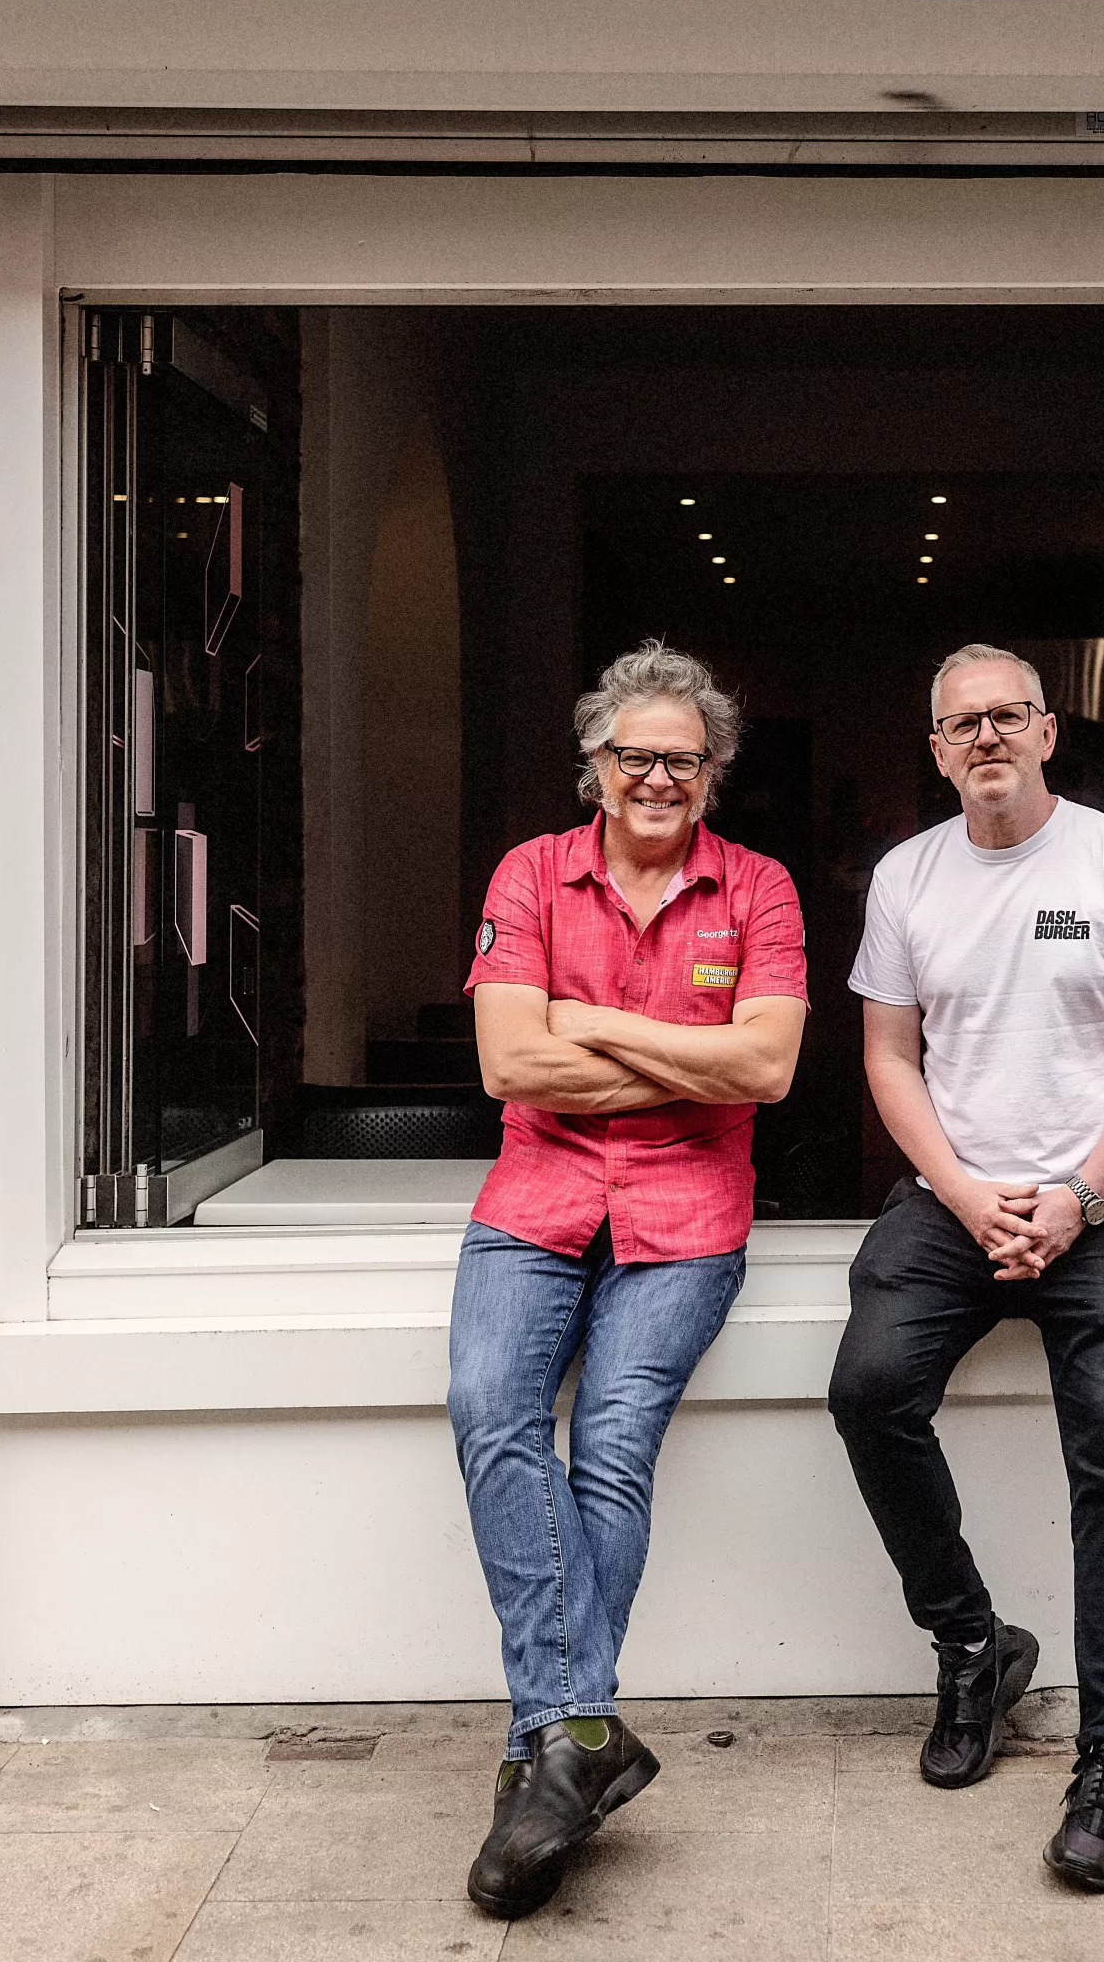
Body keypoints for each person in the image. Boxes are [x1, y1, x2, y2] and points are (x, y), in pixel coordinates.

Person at [828, 643, 1104, 1893]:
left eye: (1006, 717)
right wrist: (962, 1188)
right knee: (869, 1389)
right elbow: (889, 1056)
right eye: (959, 725)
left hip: (1101, 1201)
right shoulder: (908, 876)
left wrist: (1080, 1193)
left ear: (1046, 730)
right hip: (959, 1194)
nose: (984, 738)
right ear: (935, 750)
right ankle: (974, 1643)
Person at [449, 640, 808, 1920]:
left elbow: (766, 1070)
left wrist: (587, 1022)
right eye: (634, 755)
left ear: (712, 773)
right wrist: (684, 1060)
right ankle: (577, 1728)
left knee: (609, 1442)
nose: (659, 775)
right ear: (594, 765)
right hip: (536, 1197)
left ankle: (543, 1748)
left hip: (688, 1212)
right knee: (492, 1409)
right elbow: (508, 1065)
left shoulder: (757, 889)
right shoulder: (529, 874)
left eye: (684, 757)